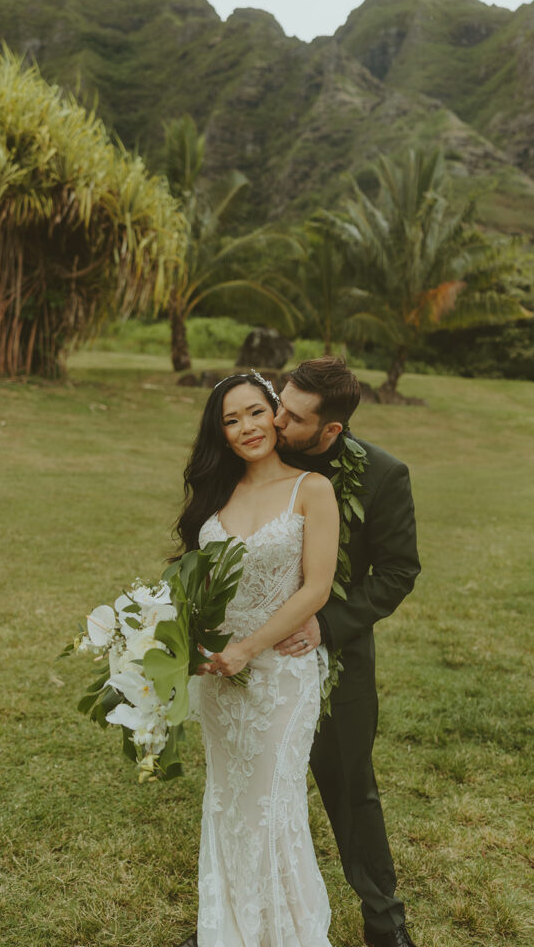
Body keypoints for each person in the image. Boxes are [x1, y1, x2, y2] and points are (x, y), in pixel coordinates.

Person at [173, 371, 339, 947]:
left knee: (272, 808)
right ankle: (230, 930)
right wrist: (189, 641)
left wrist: (249, 648)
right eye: (230, 420)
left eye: (254, 412)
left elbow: (315, 589)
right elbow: (197, 582)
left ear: (276, 413)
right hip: (219, 678)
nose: (246, 427)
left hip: (280, 679)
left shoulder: (311, 489)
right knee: (226, 803)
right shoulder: (218, 497)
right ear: (220, 433)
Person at [273, 358, 421, 947]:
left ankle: (385, 924)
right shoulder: (264, 453)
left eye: (294, 416)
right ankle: (237, 917)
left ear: (331, 430)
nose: (278, 421)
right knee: (258, 789)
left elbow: (397, 572)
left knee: (351, 788)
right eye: (280, 404)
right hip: (254, 655)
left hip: (338, 658)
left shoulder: (383, 475)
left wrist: (325, 624)